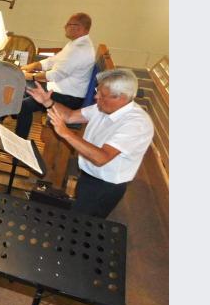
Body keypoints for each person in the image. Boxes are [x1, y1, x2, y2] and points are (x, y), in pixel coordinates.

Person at [25, 68, 154, 218]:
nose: (96, 97)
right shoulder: (105, 107)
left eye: (102, 95)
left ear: (121, 98)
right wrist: (47, 102)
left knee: (80, 228)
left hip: (105, 187)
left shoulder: (136, 124)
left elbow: (101, 158)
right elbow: (70, 116)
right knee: (76, 222)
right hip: (88, 177)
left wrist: (66, 133)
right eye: (97, 91)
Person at [14, 12, 95, 139]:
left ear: (78, 28)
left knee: (25, 106)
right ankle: (8, 116)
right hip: (60, 88)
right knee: (20, 88)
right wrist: (34, 65)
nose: (65, 27)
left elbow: (55, 75)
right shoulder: (75, 43)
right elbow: (54, 60)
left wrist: (28, 76)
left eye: (68, 24)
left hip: (69, 97)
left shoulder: (79, 49)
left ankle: (18, 143)